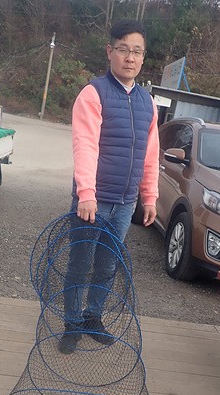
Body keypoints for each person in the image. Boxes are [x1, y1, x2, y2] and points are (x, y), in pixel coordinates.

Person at [59, 18, 159, 354]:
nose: (130, 58)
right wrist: (86, 193)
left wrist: (149, 197)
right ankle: (72, 323)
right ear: (109, 51)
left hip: (125, 203)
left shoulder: (147, 103)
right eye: (123, 49)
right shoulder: (93, 93)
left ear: (143, 57)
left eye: (137, 51)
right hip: (94, 201)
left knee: (107, 264)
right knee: (80, 262)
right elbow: (85, 145)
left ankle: (93, 317)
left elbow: (150, 153)